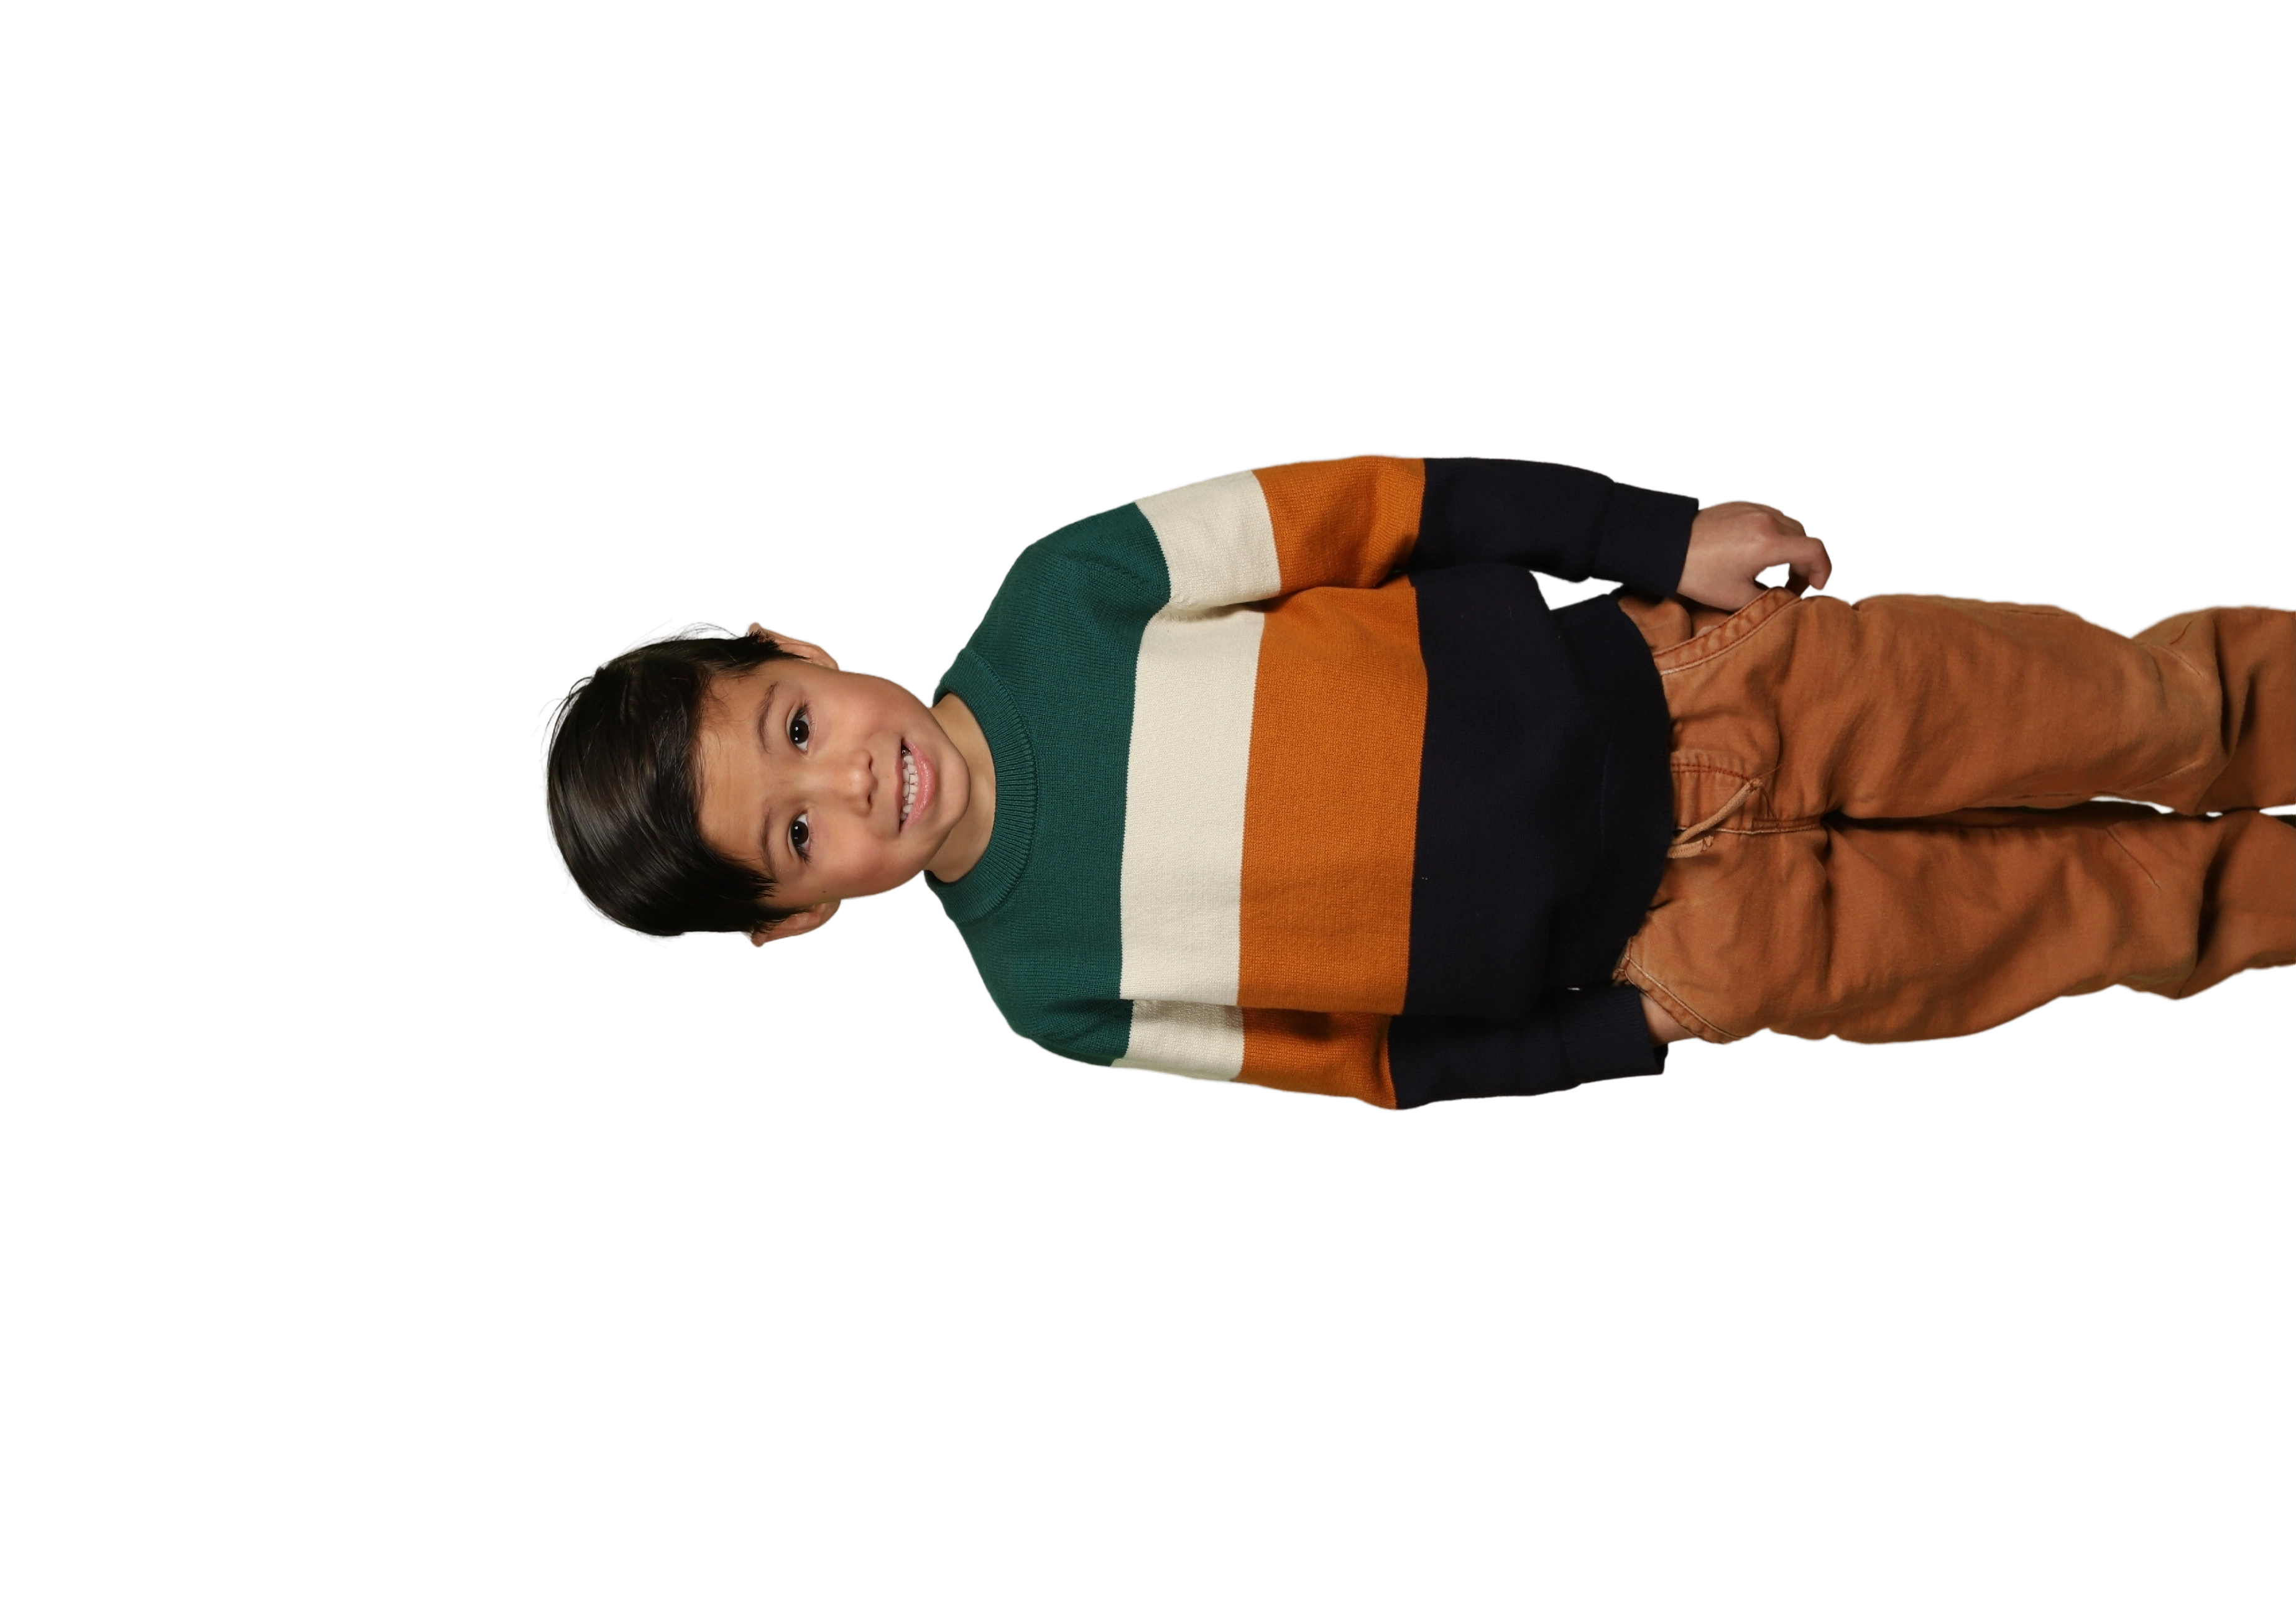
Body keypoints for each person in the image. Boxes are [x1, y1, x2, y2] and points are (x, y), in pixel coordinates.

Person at [533, 453, 2296, 1111]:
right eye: (796, 834)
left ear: (801, 654)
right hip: (1691, 950)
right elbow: (1357, 1061)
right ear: (799, 918)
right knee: (2112, 918)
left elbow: (1397, 506)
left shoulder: (1069, 588)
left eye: (794, 725)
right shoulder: (1051, 993)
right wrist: (1620, 1032)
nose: (852, 781)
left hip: (1703, 691)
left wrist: (1658, 536)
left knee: (2138, 709)